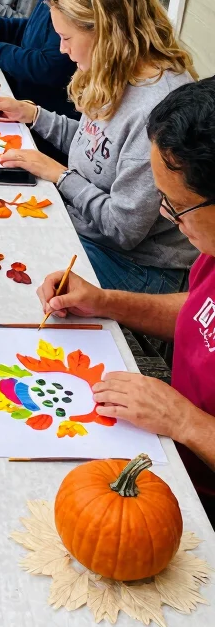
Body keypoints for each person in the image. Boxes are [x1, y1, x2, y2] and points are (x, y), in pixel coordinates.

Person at [37, 78, 215, 522]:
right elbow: (198, 314)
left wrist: (185, 421)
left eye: (177, 207)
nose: (166, 218)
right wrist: (105, 301)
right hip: (165, 453)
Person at [0, 0, 198, 292]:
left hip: (141, 265)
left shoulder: (157, 109)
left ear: (107, 33)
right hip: (92, 231)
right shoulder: (117, 71)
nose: (63, 50)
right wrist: (33, 114)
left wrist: (58, 175)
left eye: (66, 38)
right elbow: (94, 145)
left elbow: (123, 229)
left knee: (17, 269)